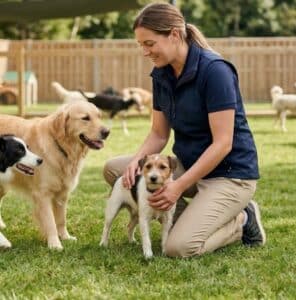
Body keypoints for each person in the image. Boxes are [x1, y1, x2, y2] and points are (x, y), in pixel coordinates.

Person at [103, 2, 266, 258]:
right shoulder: (161, 74)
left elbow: (223, 144)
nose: (145, 51)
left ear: (175, 35)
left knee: (178, 248)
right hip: (188, 165)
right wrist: (135, 162)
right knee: (117, 169)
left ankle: (243, 220)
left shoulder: (215, 72)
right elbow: (159, 133)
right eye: (141, 45)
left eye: (149, 43)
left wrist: (177, 188)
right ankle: (185, 217)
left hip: (229, 174)